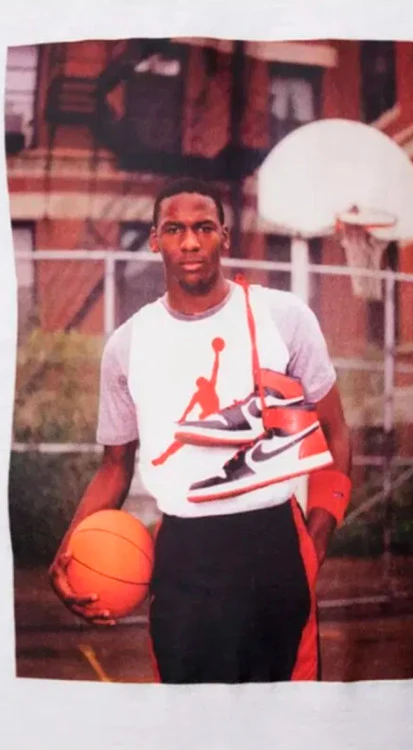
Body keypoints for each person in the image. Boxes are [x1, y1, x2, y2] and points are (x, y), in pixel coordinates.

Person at [48, 177, 352, 683]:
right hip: (185, 555)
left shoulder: (283, 318)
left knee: (286, 717)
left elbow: (335, 432)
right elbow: (115, 467)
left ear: (224, 237)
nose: (190, 242)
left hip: (274, 543)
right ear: (155, 240)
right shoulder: (128, 345)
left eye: (204, 227)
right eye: (174, 229)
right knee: (190, 718)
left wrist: (319, 537)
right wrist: (68, 551)